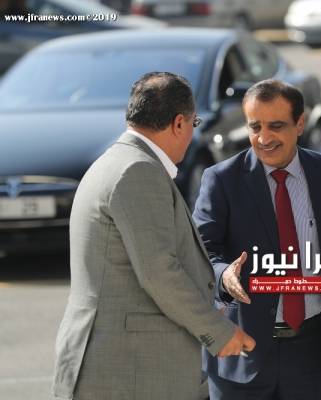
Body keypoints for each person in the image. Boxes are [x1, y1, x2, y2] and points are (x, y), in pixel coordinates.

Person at [52, 72, 255, 400]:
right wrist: (218, 332)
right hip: (129, 370)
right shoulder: (138, 171)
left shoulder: (117, 161)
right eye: (193, 123)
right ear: (179, 123)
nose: (191, 133)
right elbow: (159, 271)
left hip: (118, 364)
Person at [193, 79, 321, 399]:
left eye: (276, 126)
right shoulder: (221, 180)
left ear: (300, 124)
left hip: (312, 355)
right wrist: (225, 275)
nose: (264, 138)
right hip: (241, 354)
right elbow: (200, 254)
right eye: (255, 126)